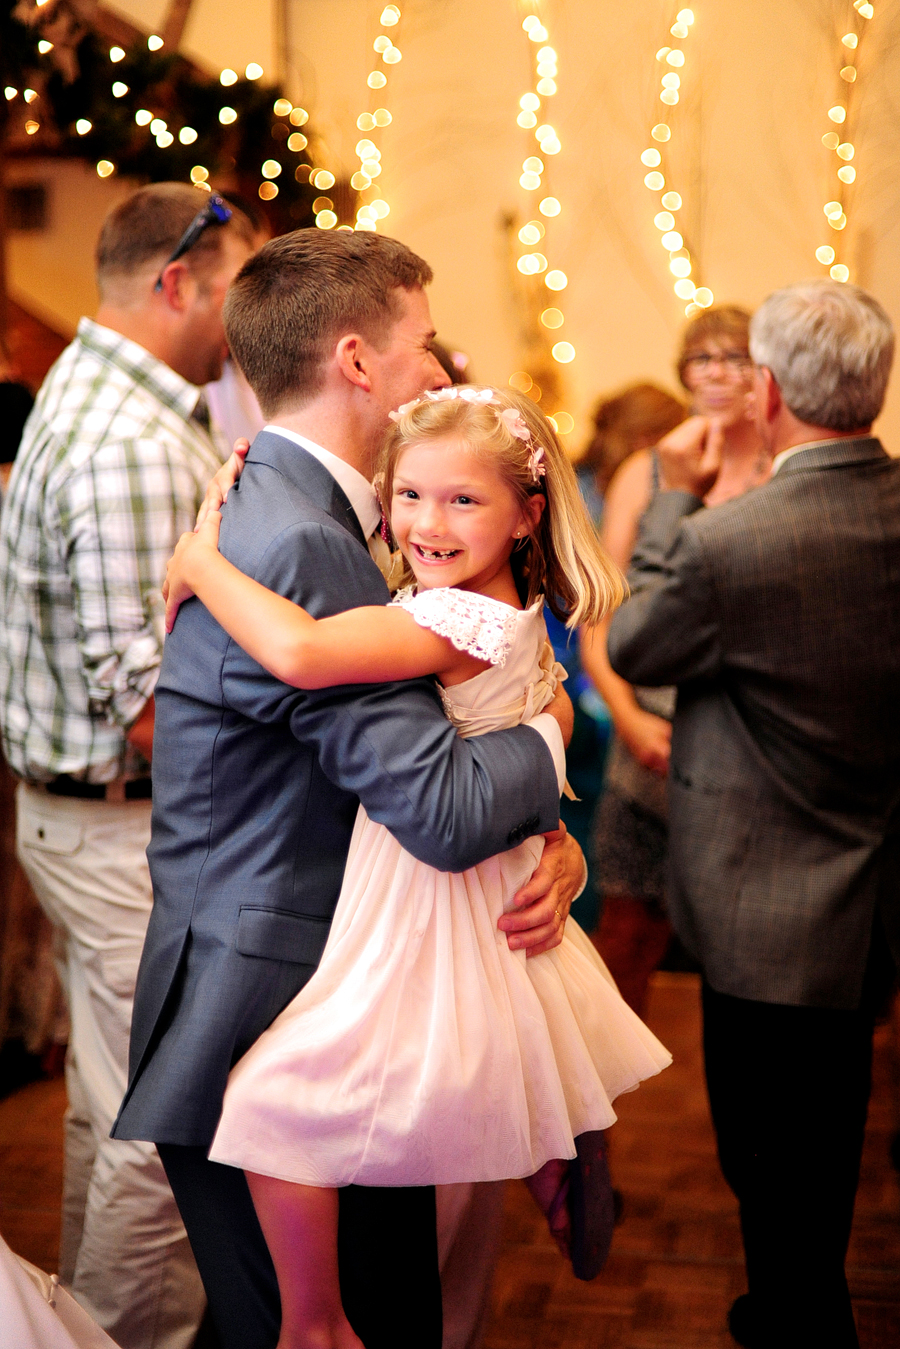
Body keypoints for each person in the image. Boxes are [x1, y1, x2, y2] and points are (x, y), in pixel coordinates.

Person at [111, 229, 589, 1349]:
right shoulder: (304, 542)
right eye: (424, 346)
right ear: (360, 360)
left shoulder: (290, 511)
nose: (440, 371)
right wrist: (556, 736)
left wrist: (557, 837)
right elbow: (445, 809)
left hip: (293, 981)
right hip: (277, 1003)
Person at [162, 382, 672, 1349]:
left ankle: (315, 1325)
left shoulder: (455, 620)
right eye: (410, 496)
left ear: (527, 514)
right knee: (447, 1072)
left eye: (462, 500)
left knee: (281, 1096)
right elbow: (548, 713)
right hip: (482, 871)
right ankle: (548, 1149)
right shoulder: (493, 603)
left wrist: (201, 559)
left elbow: (303, 651)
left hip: (430, 890)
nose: (427, 523)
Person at [606, 279, 900, 1348]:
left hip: (757, 904)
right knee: (832, 1132)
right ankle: (804, 1300)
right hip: (868, 894)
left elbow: (636, 648)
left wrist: (675, 500)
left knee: (767, 1154)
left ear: (767, 392)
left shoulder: (733, 540)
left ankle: (802, 1320)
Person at [0, 182, 255, 1349]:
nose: (243, 319)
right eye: (237, 286)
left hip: (77, 818)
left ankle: (79, 1329)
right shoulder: (132, 436)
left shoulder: (100, 391)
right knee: (164, 1127)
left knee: (110, 1111)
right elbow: (149, 701)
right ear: (178, 284)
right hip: (120, 822)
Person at [581, 307, 767, 1013]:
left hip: (744, 748)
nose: (718, 372)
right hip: (647, 743)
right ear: (682, 371)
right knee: (626, 936)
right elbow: (600, 611)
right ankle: (600, 1120)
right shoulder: (644, 470)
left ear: (764, 371)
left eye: (736, 357)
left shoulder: (777, 466)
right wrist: (626, 717)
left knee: (738, 945)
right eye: (702, 358)